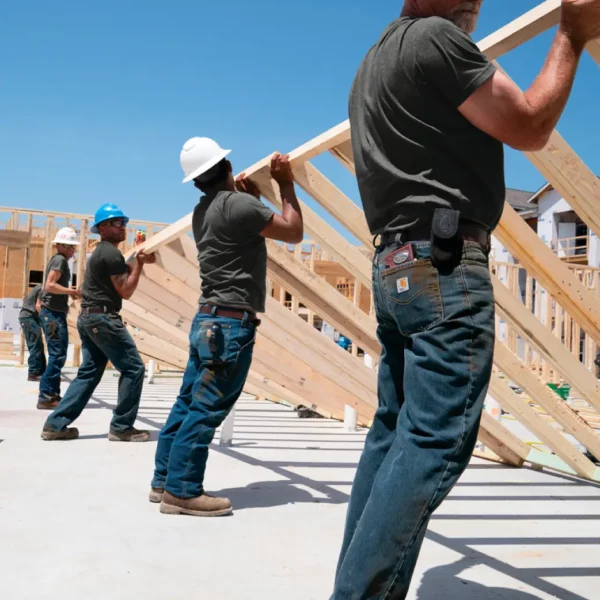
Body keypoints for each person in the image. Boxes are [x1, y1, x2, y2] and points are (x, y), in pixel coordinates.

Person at [331, 0, 600, 597]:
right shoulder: (435, 38)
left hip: (396, 264)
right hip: (442, 264)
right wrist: (573, 34)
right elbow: (529, 124)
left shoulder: (372, 62)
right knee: (435, 439)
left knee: (395, 432)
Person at [150, 137, 303, 516]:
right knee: (207, 407)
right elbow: (294, 230)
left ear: (197, 182)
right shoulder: (239, 205)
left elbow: (238, 215)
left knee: (187, 402)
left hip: (209, 320)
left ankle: (164, 480)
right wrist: (285, 183)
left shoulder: (203, 211)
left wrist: (246, 196)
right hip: (229, 326)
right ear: (227, 167)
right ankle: (182, 491)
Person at [41, 203, 156, 441]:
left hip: (89, 317)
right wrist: (140, 264)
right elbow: (125, 290)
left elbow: (122, 272)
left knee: (89, 372)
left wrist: (137, 258)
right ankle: (122, 427)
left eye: (123, 223)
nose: (122, 227)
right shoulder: (110, 253)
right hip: (103, 318)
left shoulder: (104, 253)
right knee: (134, 368)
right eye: (116, 223)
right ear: (102, 228)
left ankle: (55, 425)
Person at [38, 227, 81, 409]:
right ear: (60, 246)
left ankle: (52, 395)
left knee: (58, 354)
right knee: (57, 355)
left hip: (52, 313)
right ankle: (47, 396)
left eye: (73, 248)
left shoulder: (58, 260)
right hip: (53, 314)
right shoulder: (60, 261)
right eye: (69, 247)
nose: (72, 251)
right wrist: (70, 291)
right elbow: (49, 285)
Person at [18, 283, 46, 381]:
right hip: (28, 317)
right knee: (35, 344)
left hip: (31, 317)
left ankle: (42, 371)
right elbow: (38, 306)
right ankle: (34, 373)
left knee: (39, 344)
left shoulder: (44, 288)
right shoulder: (44, 288)